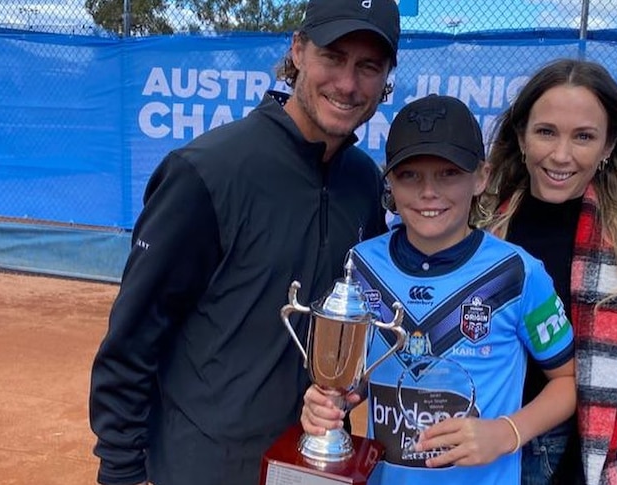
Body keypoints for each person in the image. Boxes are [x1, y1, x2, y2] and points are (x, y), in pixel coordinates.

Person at [87, 1, 402, 484]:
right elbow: (132, 341)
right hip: (201, 467)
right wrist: (121, 473)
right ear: (297, 51)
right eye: (333, 57)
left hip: (305, 467)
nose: (347, 83)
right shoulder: (206, 172)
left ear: (386, 79)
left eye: (368, 67)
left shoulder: (362, 183)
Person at [300, 94, 577, 485]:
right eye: (410, 175)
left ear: (481, 177)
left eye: (448, 174)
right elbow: (354, 378)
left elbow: (567, 380)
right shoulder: (361, 266)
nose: (429, 192)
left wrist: (507, 433)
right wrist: (328, 402)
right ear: (389, 183)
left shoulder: (517, 271)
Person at [477, 58, 617, 485]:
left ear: (609, 146)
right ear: (521, 136)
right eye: (546, 132)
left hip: (576, 469)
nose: (561, 155)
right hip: (477, 461)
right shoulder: (478, 227)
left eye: (583, 137)